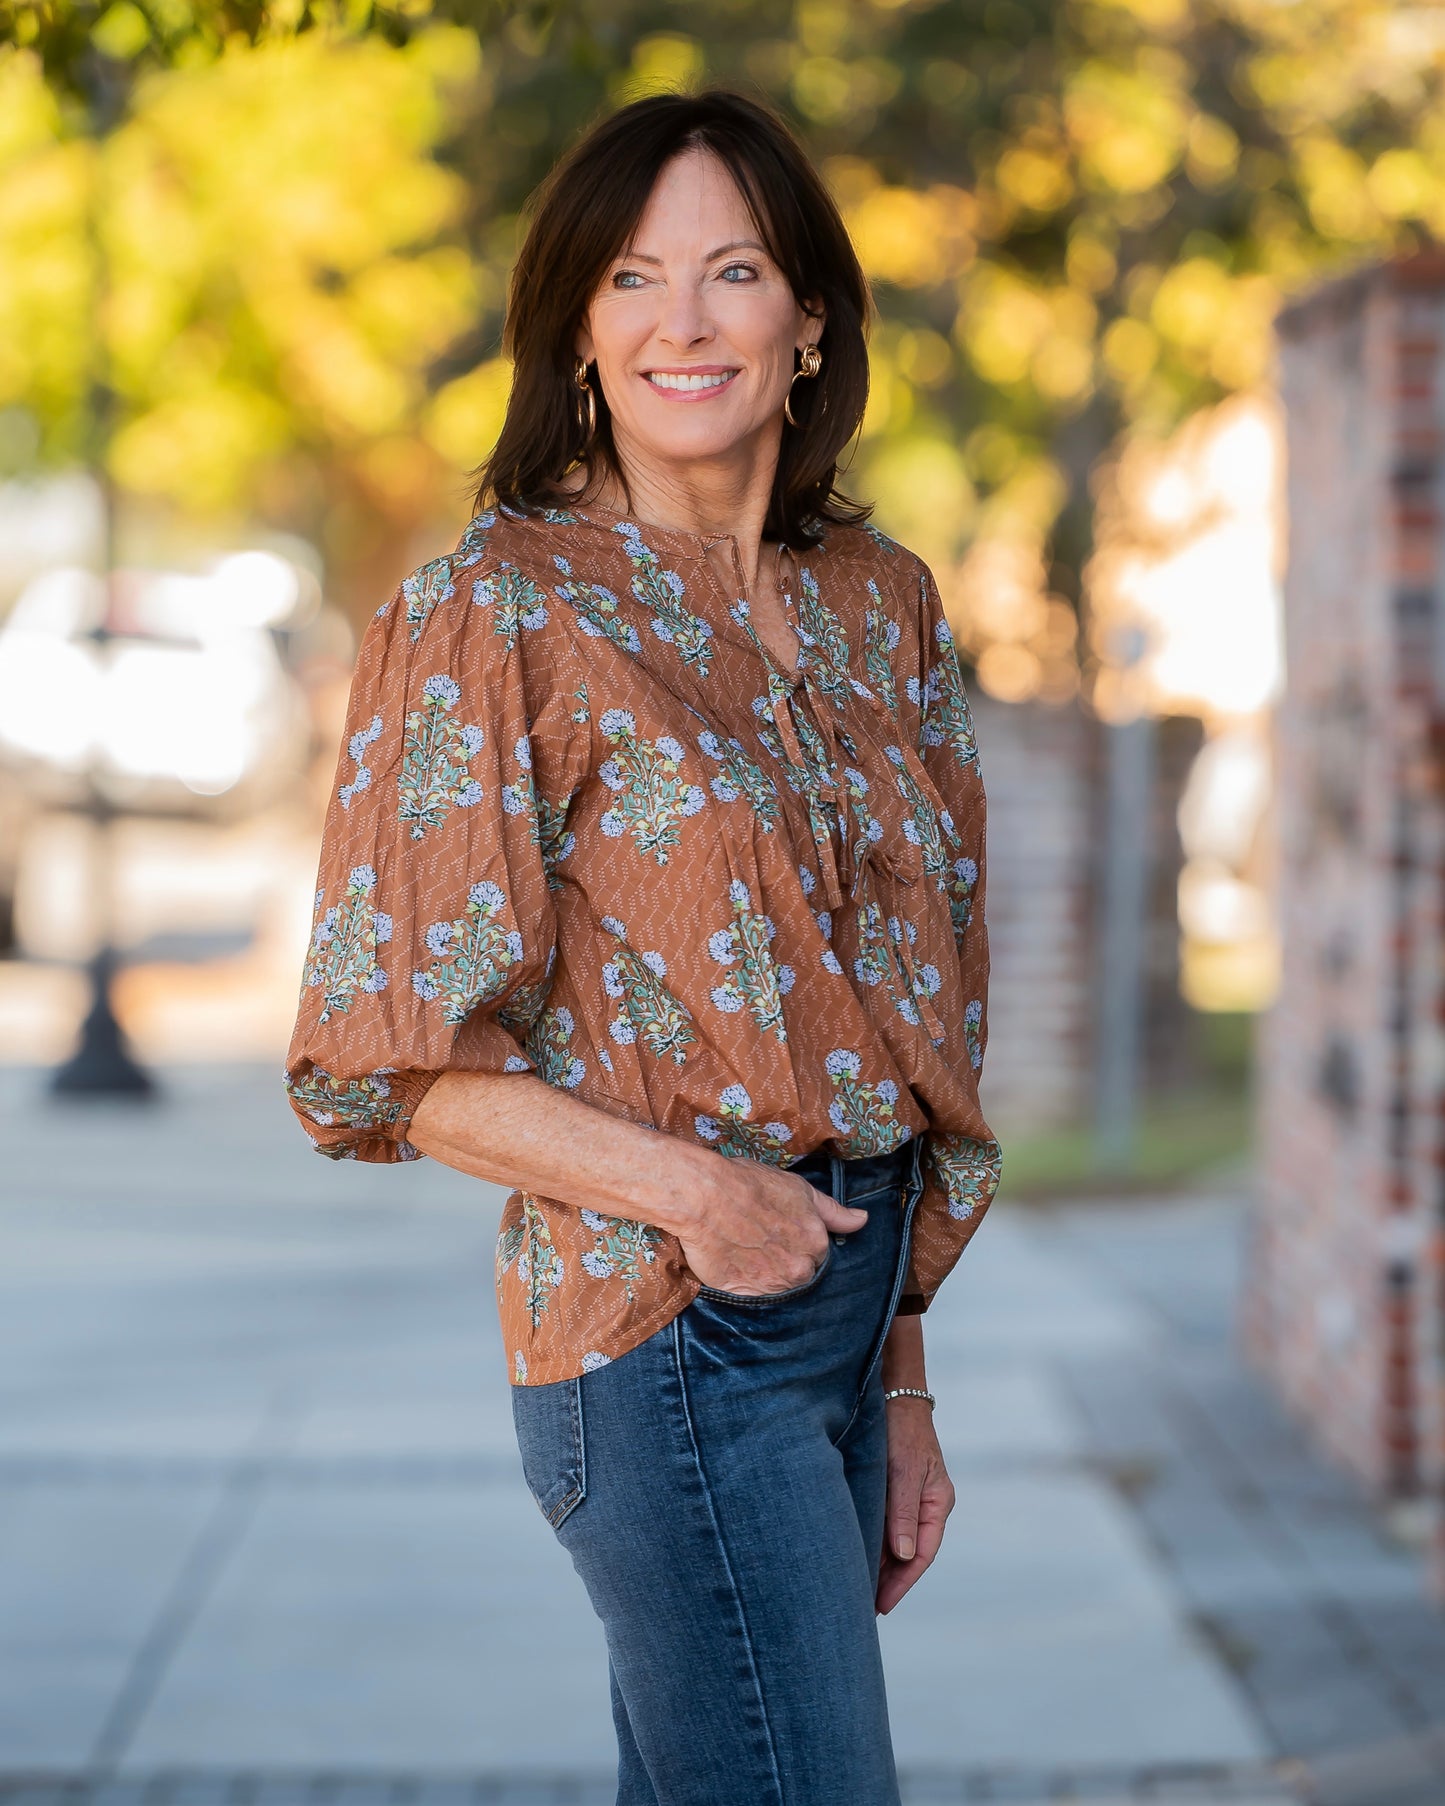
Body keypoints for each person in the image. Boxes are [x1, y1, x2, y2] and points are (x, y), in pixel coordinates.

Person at [283, 84, 1001, 1806]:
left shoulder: (875, 599)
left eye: (733, 270)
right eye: (630, 278)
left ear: (807, 318)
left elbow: (912, 1019)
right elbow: (385, 1061)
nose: (684, 320)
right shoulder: (498, 607)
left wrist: (899, 1377)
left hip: (844, 1307)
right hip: (672, 1325)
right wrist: (703, 1198)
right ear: (577, 333)